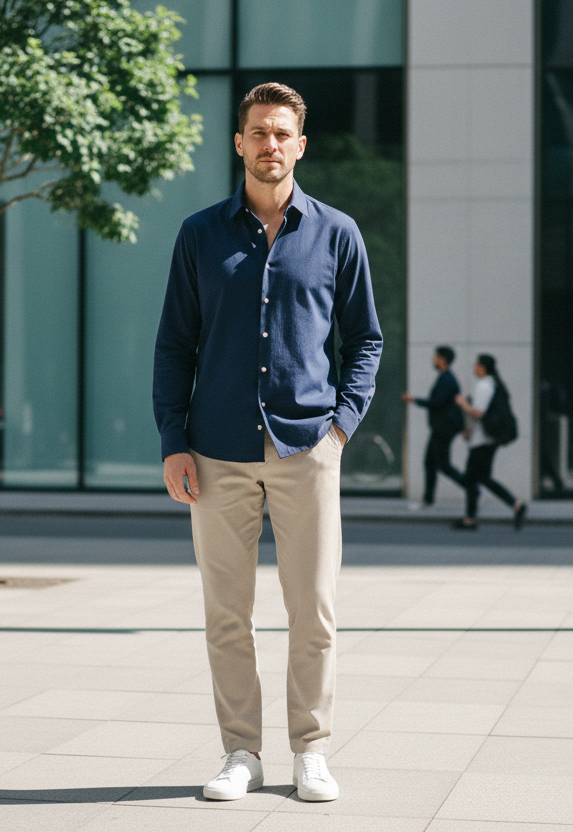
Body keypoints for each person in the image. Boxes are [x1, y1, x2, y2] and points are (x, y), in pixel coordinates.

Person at [153, 82, 382, 803]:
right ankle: (241, 753)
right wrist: (173, 439)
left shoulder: (337, 232)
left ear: (300, 144)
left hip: (307, 448)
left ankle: (310, 750)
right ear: (239, 143)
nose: (270, 144)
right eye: (258, 132)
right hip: (216, 452)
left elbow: (366, 339)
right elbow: (175, 345)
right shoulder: (199, 235)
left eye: (282, 133)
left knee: (312, 610)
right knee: (227, 615)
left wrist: (341, 426)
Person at [453, 354, 526, 530]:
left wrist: (462, 403)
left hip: (482, 441)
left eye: (476, 365)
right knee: (476, 478)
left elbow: (478, 412)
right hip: (486, 440)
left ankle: (513, 505)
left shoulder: (485, 385)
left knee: (475, 478)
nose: (474, 369)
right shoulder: (492, 384)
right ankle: (473, 518)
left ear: (483, 368)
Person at [402, 346, 466, 506]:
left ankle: (472, 487)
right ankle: (428, 499)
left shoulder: (447, 379)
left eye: (436, 357)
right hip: (441, 428)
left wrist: (414, 400)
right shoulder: (446, 378)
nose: (433, 360)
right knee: (430, 463)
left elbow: (437, 403)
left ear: (442, 360)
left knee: (442, 465)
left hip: (443, 428)